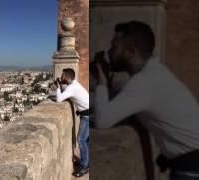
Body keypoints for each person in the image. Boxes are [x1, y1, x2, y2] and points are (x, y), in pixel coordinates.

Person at [93, 21, 199, 180]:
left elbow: (102, 120)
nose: (109, 52)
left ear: (130, 51)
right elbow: (124, 103)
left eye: (114, 47)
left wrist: (101, 83)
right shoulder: (155, 73)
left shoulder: (144, 82)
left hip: (191, 168)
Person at [55, 68, 89, 177]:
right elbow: (67, 92)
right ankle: (86, 161)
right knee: (86, 141)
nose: (61, 77)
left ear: (68, 77)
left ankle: (84, 167)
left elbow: (59, 99)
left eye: (63, 75)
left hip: (87, 116)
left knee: (81, 140)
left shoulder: (73, 88)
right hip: (89, 113)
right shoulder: (75, 85)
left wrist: (57, 88)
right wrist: (61, 86)